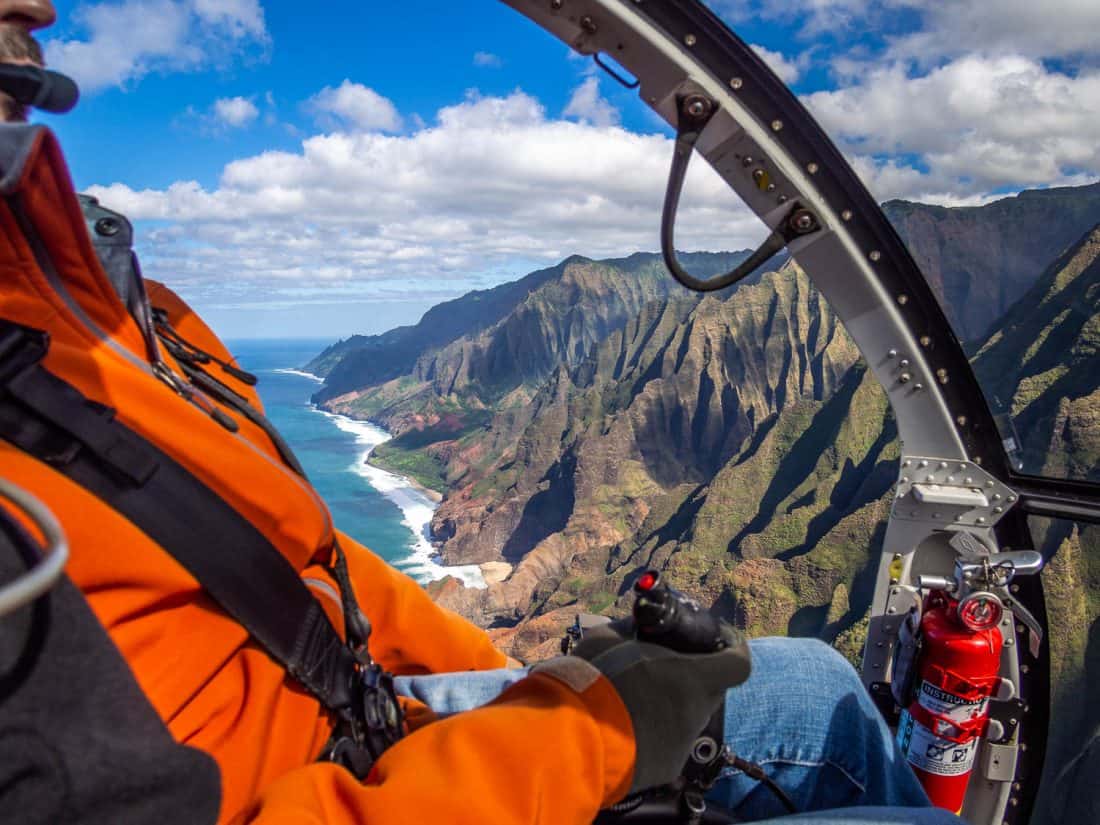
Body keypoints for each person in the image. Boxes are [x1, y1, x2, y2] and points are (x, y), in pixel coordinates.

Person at [0, 2, 965, 823]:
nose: (42, 9)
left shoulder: (119, 307)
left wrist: (531, 679)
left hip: (367, 720)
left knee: (825, 689)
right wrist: (590, 733)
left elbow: (308, 562)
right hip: (331, 776)